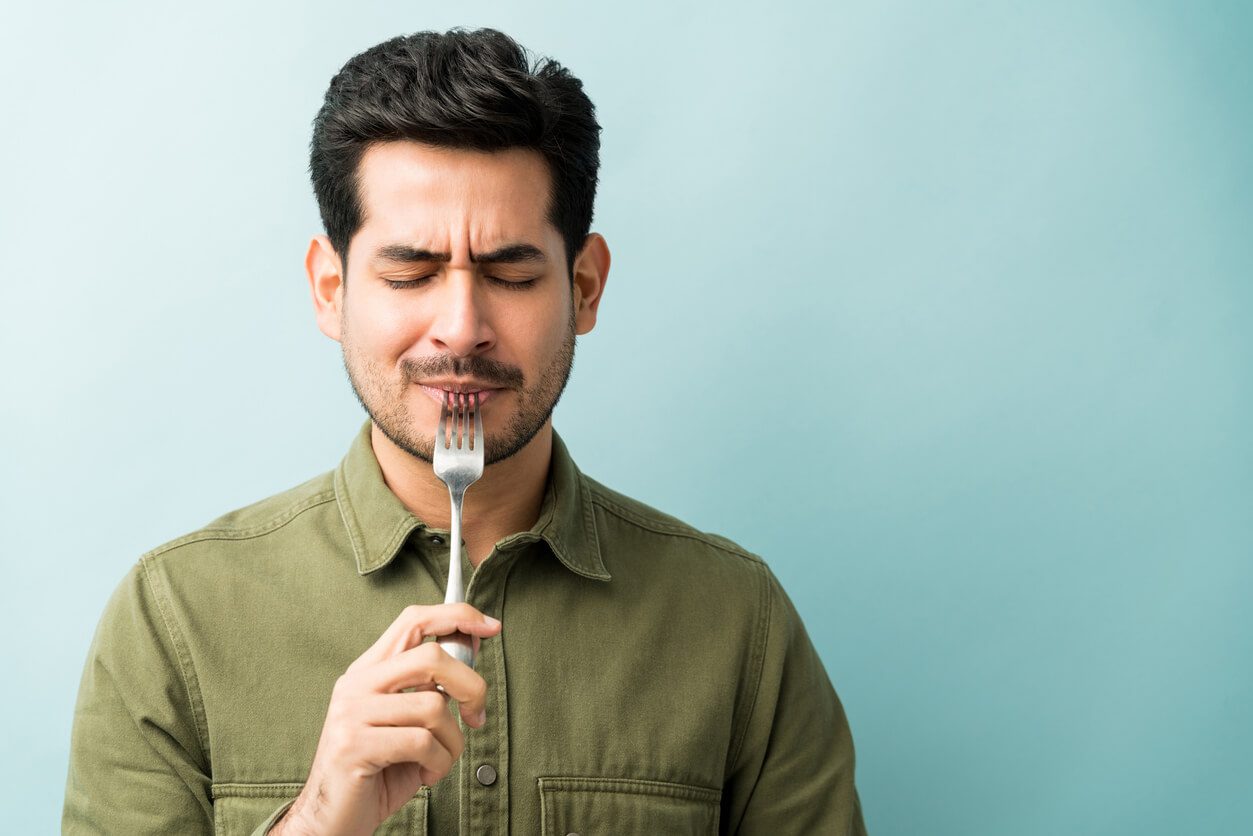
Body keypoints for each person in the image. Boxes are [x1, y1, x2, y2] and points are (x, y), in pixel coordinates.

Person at [61, 27, 867, 835]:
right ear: (330, 290)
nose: (460, 327)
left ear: (583, 288)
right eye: (409, 274)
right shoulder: (175, 616)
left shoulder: (735, 621)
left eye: (510, 276)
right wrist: (314, 818)